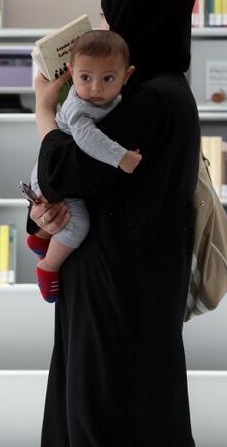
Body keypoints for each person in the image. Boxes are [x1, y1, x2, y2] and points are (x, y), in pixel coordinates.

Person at [29, 0, 199, 446]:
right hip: (121, 276)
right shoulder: (144, 91)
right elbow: (84, 184)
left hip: (119, 285)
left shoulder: (153, 98)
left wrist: (44, 110)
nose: (103, 31)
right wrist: (46, 214)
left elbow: (65, 171)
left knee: (105, 413)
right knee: (105, 406)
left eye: (111, 17)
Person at [28, 30, 142, 303]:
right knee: (78, 225)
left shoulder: (114, 99)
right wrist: (121, 157)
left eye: (108, 78)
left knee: (67, 219)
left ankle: (41, 239)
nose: (96, 88)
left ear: (127, 75)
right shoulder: (79, 106)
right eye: (85, 78)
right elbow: (87, 138)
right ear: (71, 72)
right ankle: (48, 266)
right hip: (50, 176)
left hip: (59, 172)